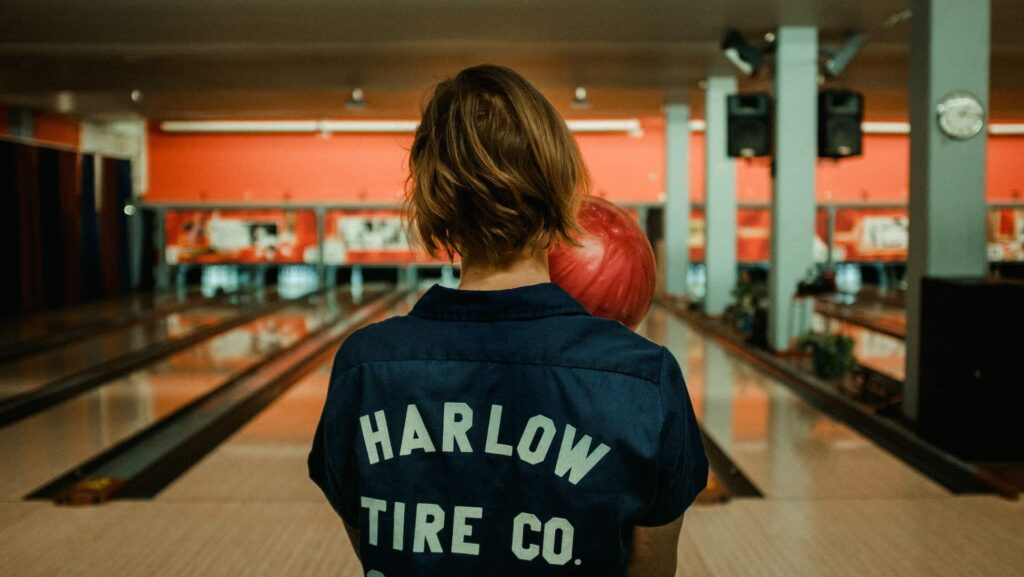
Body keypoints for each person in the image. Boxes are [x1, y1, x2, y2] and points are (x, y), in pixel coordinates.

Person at [309, 64, 708, 577]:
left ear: (432, 200)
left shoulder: (365, 370)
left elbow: (374, 546)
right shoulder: (642, 379)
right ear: (565, 192)